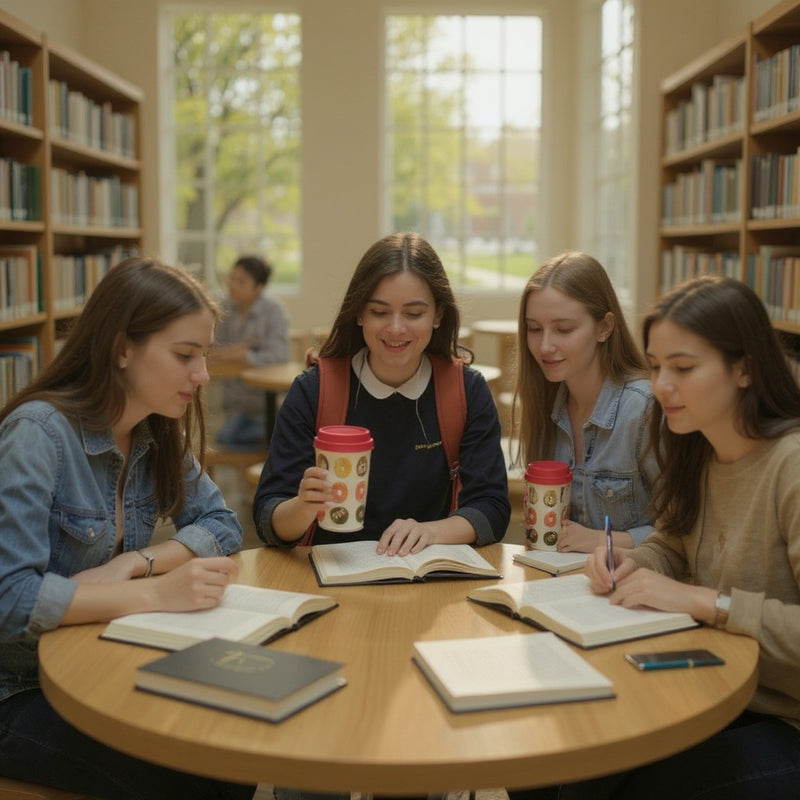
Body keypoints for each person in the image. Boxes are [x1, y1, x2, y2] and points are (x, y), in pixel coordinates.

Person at [515, 275, 800, 799]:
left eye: (683, 368)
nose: (662, 386)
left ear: (744, 369)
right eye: (656, 366)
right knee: (550, 759)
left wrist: (705, 601)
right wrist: (630, 564)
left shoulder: (790, 467)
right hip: (715, 685)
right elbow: (670, 544)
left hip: (782, 716)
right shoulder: (699, 450)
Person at [0, 257, 255, 800]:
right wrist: (152, 593)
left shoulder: (153, 428)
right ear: (121, 349)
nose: (203, 375)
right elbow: (10, 600)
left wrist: (134, 566)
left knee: (230, 754)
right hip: (16, 689)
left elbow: (222, 522)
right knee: (185, 780)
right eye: (185, 355)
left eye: (205, 355)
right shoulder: (37, 436)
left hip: (96, 660)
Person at [253, 231, 510, 555]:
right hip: (330, 581)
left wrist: (428, 532)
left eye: (414, 314)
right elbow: (267, 518)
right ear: (359, 313)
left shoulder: (467, 392)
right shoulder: (314, 390)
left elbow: (493, 509)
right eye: (379, 312)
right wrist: (304, 506)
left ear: (438, 315)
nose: (396, 328)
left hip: (430, 584)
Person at [513, 251, 659, 552]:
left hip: (634, 589)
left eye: (563, 329)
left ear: (604, 328)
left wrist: (602, 541)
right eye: (534, 328)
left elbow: (685, 533)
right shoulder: (548, 405)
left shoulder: (644, 409)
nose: (544, 346)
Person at [211, 254, 289, 449]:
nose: (232, 284)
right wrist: (233, 352)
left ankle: (272, 438)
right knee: (223, 438)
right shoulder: (223, 307)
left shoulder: (273, 310)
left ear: (259, 288)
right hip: (233, 404)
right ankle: (271, 439)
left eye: (241, 281)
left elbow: (279, 356)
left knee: (226, 438)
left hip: (264, 404)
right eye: (231, 278)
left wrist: (244, 355)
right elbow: (210, 351)